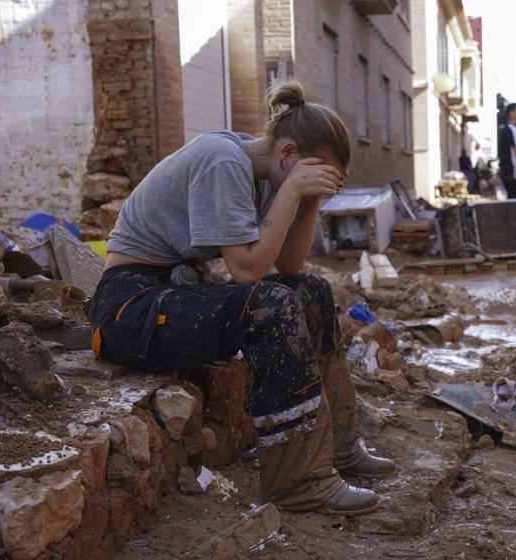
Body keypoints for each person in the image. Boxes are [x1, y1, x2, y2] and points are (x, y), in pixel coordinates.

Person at [85, 81, 396, 516]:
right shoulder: (222, 161)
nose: (313, 182)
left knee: (310, 290)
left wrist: (308, 202)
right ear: (287, 154)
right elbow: (247, 271)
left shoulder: (267, 174)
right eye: (314, 172)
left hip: (175, 293)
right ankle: (298, 482)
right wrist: (291, 191)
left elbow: (288, 266)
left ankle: (341, 449)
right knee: (272, 304)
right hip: (129, 308)